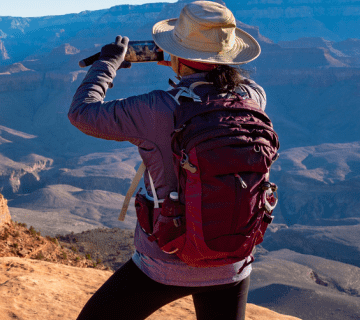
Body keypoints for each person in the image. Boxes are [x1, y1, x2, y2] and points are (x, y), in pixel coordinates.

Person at [68, 2, 265, 319]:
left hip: (166, 261)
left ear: (179, 55)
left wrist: (109, 63)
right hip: (232, 263)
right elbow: (210, 69)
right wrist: (182, 55)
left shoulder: (157, 109)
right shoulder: (252, 98)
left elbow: (82, 113)